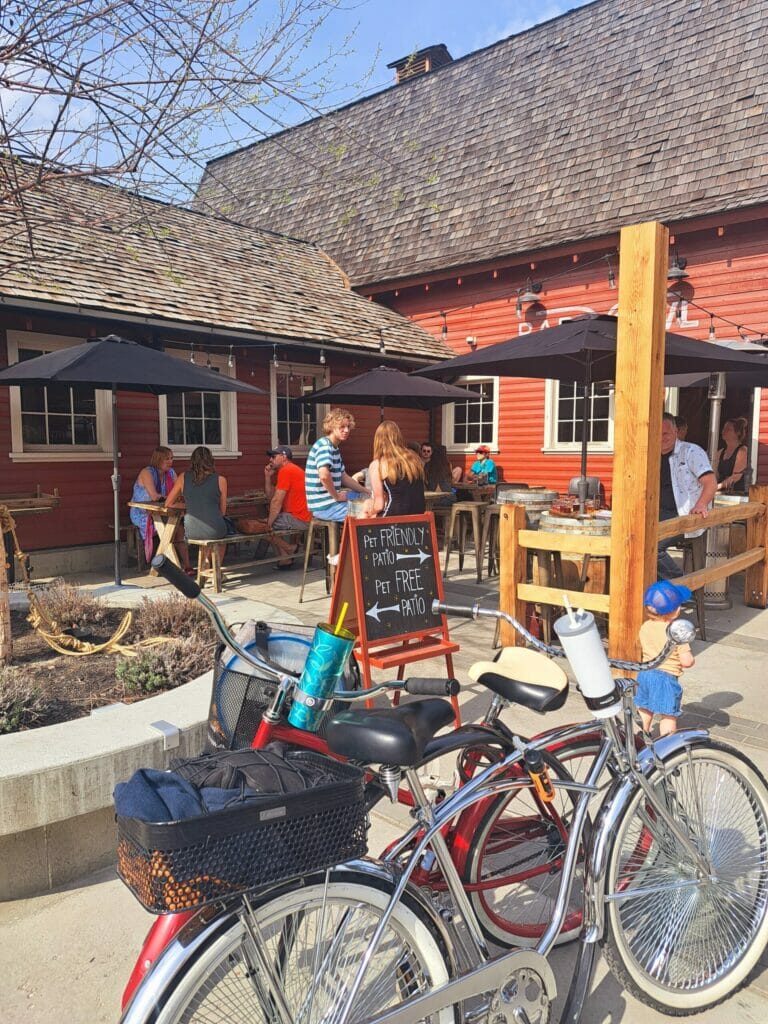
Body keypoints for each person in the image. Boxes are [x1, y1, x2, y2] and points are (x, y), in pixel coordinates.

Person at [657, 413, 716, 579]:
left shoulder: (691, 451)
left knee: (652, 547)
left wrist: (701, 504)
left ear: (676, 431)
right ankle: (655, 592)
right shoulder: (650, 454)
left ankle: (681, 588)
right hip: (658, 514)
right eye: (657, 432)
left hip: (685, 515)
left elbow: (710, 482)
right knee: (630, 538)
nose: (661, 438)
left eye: (666, 433)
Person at [635, 581, 695, 737]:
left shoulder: (645, 626)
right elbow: (686, 661)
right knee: (668, 715)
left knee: (644, 707)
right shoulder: (676, 632)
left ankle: (642, 735)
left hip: (645, 673)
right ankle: (667, 745)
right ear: (676, 611)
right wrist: (691, 660)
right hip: (666, 678)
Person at [129, 446, 191, 572]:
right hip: (143, 513)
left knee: (178, 529)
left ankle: (186, 566)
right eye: (166, 459)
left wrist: (175, 498)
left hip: (165, 511)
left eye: (171, 458)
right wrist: (170, 498)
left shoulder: (171, 473)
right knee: (171, 528)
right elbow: (154, 496)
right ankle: (174, 567)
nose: (170, 461)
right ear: (158, 459)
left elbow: (178, 493)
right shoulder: (147, 472)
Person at [166, 447, 231, 566]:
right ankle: (216, 569)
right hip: (215, 529)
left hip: (191, 530)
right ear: (211, 461)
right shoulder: (221, 480)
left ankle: (206, 565)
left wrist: (188, 505)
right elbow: (222, 511)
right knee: (221, 540)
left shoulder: (183, 477)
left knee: (207, 535)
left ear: (192, 461)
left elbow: (168, 503)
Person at [304, 408, 369, 521]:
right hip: (325, 507)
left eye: (348, 426)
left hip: (331, 501)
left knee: (366, 498)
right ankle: (352, 538)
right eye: (342, 427)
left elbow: (344, 477)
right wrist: (337, 496)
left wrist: (366, 491)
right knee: (368, 511)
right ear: (331, 427)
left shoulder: (334, 448)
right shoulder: (324, 446)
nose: (346, 430)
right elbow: (324, 476)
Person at [363, 420, 426, 517]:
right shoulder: (414, 459)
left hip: (393, 520)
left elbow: (379, 505)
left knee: (365, 510)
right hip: (418, 520)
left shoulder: (378, 464)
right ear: (398, 437)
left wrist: (368, 513)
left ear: (377, 440)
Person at [263, 445, 310, 568]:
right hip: (301, 516)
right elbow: (271, 497)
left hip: (300, 517)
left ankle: (289, 550)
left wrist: (268, 523)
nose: (270, 460)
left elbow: (276, 501)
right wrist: (268, 477)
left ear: (283, 457)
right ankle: (285, 557)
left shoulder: (286, 470)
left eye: (273, 457)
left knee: (262, 527)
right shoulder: (289, 470)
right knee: (267, 524)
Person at [716, 417, 749, 494]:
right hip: (720, 495)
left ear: (737, 433)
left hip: (737, 495)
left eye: (728, 429)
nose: (724, 431)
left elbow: (736, 477)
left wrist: (717, 486)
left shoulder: (742, 451)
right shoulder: (720, 452)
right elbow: (714, 474)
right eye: (724, 428)